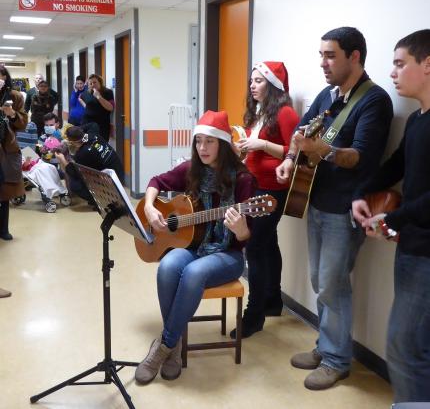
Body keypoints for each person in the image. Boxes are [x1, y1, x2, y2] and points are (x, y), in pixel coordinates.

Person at [275, 27, 393, 390]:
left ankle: (338, 360)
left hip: (346, 208)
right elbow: (300, 132)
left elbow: (361, 156)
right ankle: (325, 346)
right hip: (316, 201)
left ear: (354, 57)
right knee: (319, 281)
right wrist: (291, 158)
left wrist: (320, 151)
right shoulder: (328, 95)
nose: (323, 63)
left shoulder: (374, 100)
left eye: (331, 56)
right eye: (321, 55)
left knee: (332, 284)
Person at [134, 110, 255, 385]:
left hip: (228, 254)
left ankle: (163, 347)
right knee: (167, 265)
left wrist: (240, 229)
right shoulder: (192, 170)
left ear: (223, 144)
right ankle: (174, 346)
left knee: (193, 274)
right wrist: (151, 207)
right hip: (195, 245)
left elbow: (247, 237)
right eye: (198, 141)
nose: (202, 148)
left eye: (209, 142)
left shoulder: (244, 180)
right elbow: (156, 182)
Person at [352, 29, 430, 403]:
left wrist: (391, 220)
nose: (393, 72)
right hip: (412, 247)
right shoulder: (417, 120)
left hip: (426, 254)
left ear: (428, 64)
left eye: (401, 63)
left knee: (404, 348)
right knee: (416, 347)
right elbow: (394, 166)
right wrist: (358, 194)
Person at [230, 62, 299, 339]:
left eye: (258, 81)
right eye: (251, 81)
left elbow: (295, 152)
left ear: (273, 84)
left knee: (255, 248)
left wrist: (261, 145)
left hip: (272, 190)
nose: (252, 85)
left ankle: (254, 315)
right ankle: (272, 301)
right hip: (254, 186)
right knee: (268, 244)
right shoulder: (259, 112)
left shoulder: (285, 112)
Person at [55, 126, 124, 203]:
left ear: (73, 142)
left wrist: (62, 159)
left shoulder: (82, 154)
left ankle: (100, 200)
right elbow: (92, 124)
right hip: (120, 173)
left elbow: (74, 173)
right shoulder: (94, 134)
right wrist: (76, 130)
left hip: (112, 183)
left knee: (75, 184)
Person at [0, 65, 28, 240]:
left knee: (5, 191)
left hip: (7, 148)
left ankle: (3, 229)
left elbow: (23, 123)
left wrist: (12, 114)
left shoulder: (15, 96)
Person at [79, 74, 114, 141]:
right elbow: (81, 99)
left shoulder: (108, 92)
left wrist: (99, 97)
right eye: (90, 83)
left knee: (101, 145)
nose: (92, 85)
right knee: (85, 142)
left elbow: (111, 108)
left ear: (100, 82)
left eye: (95, 82)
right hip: (87, 124)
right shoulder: (85, 94)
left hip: (102, 126)